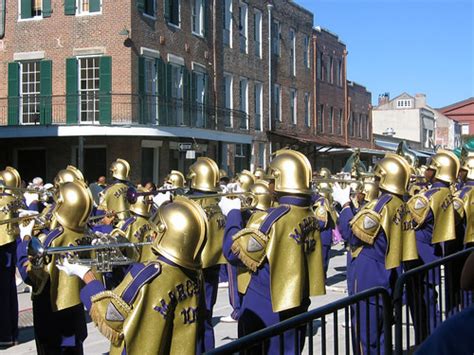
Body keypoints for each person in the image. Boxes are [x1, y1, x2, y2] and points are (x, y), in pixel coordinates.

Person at [57, 196, 207, 355]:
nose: (153, 236)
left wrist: (85, 274)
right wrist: (120, 253)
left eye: (156, 232)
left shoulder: (149, 273)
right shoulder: (196, 274)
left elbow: (111, 315)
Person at [222, 149, 325, 354]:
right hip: (297, 302)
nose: (268, 186)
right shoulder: (310, 214)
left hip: (266, 304)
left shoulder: (273, 219)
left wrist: (234, 216)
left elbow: (232, 252)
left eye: (271, 180)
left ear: (279, 181)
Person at [338, 153, 416, 354]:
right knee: (382, 337)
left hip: (370, 277)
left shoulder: (380, 205)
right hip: (387, 275)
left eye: (377, 177)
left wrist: (345, 205)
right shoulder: (401, 203)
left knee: (366, 339)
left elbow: (351, 234)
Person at [17, 180, 93, 354]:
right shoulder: (87, 233)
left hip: (52, 320)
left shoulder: (50, 240)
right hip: (75, 316)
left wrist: (25, 239)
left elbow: (30, 276)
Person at [406, 150, 459, 341]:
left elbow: (408, 217)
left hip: (420, 257)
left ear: (437, 171)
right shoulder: (445, 192)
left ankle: (429, 344)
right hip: (432, 253)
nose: (426, 171)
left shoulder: (429, 195)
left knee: (422, 308)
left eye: (429, 168)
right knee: (429, 306)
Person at [186, 157, 226, 352]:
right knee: (207, 316)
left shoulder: (192, 205)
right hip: (213, 267)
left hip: (193, 270)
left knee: (192, 319)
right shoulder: (216, 204)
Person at [0, 167, 22, 348]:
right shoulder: (15, 199)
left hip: (2, 248)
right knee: (9, 293)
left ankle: (5, 333)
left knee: (3, 294)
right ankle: (12, 333)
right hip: (11, 245)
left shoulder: (3, 200)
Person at [98, 159, 132, 227]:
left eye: (111, 171)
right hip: (131, 224)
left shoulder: (107, 191)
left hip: (115, 227)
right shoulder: (132, 189)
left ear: (114, 172)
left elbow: (100, 212)